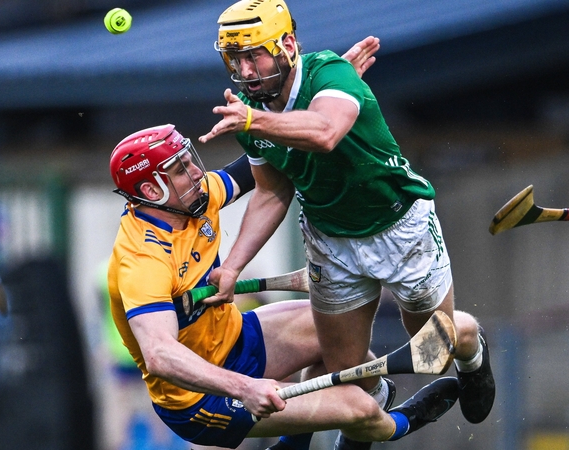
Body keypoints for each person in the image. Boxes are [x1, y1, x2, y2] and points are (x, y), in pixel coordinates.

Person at [199, 1, 495, 448]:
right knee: (344, 370)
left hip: (399, 226)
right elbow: (271, 191)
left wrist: (255, 121)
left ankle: (471, 347)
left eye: (254, 55)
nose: (245, 71)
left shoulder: (329, 73)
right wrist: (233, 266)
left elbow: (325, 133)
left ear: (287, 45)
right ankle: (366, 418)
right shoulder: (248, 111)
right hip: (328, 240)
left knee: (431, 350)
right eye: (234, 59)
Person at [107, 123, 460, 450]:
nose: (197, 172)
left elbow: (261, 161)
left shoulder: (193, 199)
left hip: (236, 340)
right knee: (359, 407)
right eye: (180, 169)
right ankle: (398, 423)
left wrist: (298, 113)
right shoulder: (142, 260)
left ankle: (359, 406)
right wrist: (245, 387)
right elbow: (159, 355)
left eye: (189, 160)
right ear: (152, 190)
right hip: (199, 399)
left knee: (332, 327)